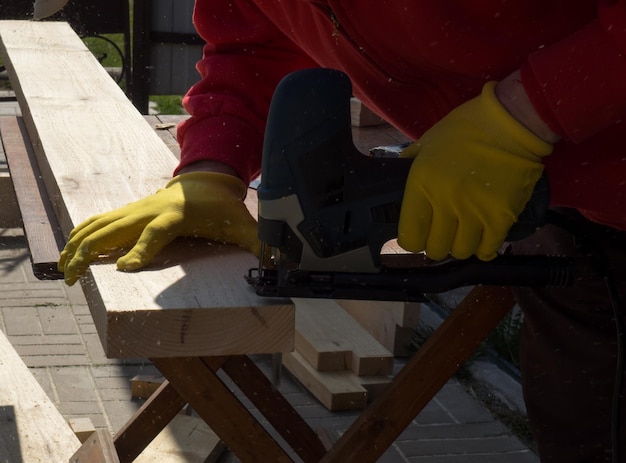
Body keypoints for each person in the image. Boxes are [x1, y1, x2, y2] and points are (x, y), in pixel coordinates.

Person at [40, 0, 626, 461]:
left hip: (578, 157)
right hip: (547, 199)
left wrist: (526, 115)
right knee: (582, 421)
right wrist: (211, 169)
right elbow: (254, 42)